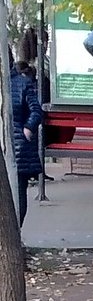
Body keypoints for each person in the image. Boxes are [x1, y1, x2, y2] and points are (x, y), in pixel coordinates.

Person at [9, 59, 43, 223]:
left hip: (18, 147)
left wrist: (28, 128)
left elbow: (36, 111)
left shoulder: (22, 83)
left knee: (18, 191)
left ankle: (16, 232)